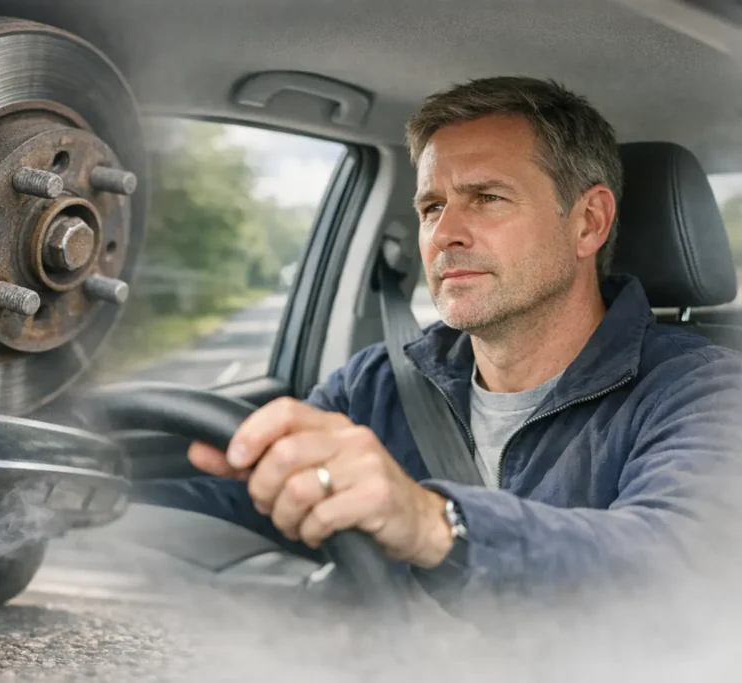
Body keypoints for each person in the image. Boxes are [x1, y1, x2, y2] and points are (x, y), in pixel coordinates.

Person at [132, 76, 742, 602]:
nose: (444, 233)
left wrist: (434, 524)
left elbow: (677, 566)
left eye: (487, 198)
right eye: (430, 207)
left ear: (588, 223)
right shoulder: (375, 385)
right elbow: (243, 506)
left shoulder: (703, 393)